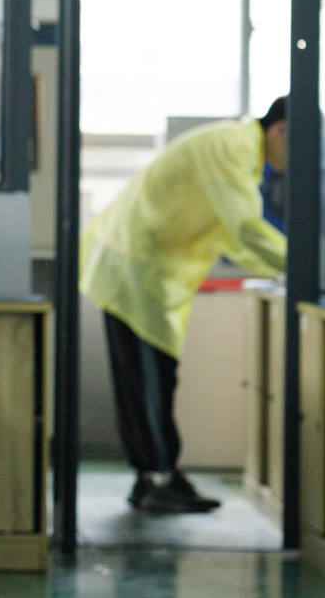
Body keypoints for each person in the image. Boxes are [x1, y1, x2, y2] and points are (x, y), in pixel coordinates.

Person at [83, 97, 289, 514]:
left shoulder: (240, 152)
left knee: (155, 379)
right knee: (148, 383)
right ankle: (157, 479)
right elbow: (245, 227)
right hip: (133, 268)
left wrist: (285, 267)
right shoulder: (231, 146)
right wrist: (305, 265)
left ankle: (159, 476)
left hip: (147, 274)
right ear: (283, 130)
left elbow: (232, 237)